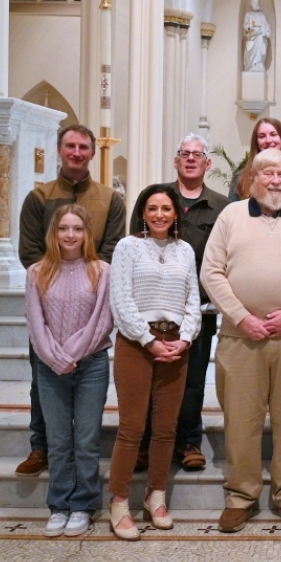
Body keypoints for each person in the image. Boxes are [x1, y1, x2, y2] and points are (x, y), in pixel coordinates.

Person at [201, 148, 281, 534]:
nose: (275, 181)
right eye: (267, 174)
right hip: (241, 339)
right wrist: (242, 317)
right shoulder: (231, 216)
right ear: (251, 180)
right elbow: (211, 272)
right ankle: (241, 496)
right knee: (241, 420)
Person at [16, 124, 126, 478]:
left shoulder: (110, 199)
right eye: (70, 146)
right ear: (59, 151)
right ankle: (41, 446)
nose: (76, 152)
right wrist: (56, 279)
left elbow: (111, 251)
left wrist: (87, 283)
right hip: (50, 305)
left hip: (90, 302)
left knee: (85, 400)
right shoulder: (39, 196)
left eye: (83, 147)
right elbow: (30, 251)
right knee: (42, 378)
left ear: (93, 153)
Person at [127, 133, 229, 472]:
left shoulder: (221, 205)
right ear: (176, 160)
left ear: (207, 163)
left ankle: (188, 442)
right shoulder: (158, 198)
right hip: (149, 309)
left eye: (197, 155)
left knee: (192, 380)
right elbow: (136, 243)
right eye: (184, 154)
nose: (190, 159)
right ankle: (146, 445)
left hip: (197, 310)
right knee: (148, 384)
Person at [108, 184, 201, 540]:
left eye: (166, 208)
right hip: (136, 342)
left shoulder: (185, 250)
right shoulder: (128, 247)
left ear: (176, 213)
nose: (160, 214)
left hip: (176, 344)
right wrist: (148, 340)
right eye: (152, 208)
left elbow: (193, 297)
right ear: (143, 213)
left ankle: (155, 495)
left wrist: (185, 338)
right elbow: (121, 299)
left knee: (166, 427)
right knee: (132, 427)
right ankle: (119, 501)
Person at [26, 205, 113, 538]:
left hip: (91, 365)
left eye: (77, 228)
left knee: (87, 441)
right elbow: (36, 322)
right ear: (54, 232)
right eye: (64, 228)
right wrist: (53, 357)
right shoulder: (37, 271)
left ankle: (83, 505)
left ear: (87, 233)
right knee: (59, 441)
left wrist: (71, 354)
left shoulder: (101, 270)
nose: (70, 235)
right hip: (50, 368)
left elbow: (102, 320)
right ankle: (59, 504)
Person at [229, 118, 281, 204]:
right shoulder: (240, 178)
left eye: (273, 134)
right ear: (256, 142)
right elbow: (231, 213)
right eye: (262, 136)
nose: (268, 140)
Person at [243, 0, 271, 72]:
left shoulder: (262, 15)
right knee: (249, 49)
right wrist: (250, 29)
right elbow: (245, 25)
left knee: (261, 49)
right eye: (255, 3)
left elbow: (266, 24)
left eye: (257, 3)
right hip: (252, 36)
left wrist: (267, 32)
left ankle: (259, 65)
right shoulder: (248, 15)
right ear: (251, 5)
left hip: (260, 36)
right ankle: (251, 66)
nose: (257, 4)